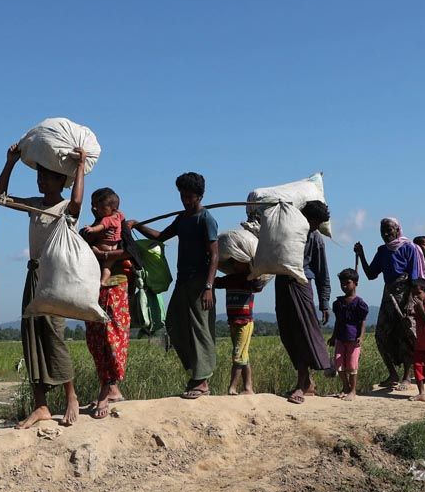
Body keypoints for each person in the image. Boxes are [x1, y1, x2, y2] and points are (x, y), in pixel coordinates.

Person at [0, 144, 86, 428]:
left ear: (62, 180)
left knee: (53, 335)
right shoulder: (34, 204)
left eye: (48, 177)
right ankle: (41, 405)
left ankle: (72, 396)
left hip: (53, 277)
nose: (42, 181)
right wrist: (9, 162)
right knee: (31, 337)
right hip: (32, 275)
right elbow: (1, 198)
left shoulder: (65, 208)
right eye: (40, 177)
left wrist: (80, 166)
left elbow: (78, 201)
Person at [129, 172, 219, 399]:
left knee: (200, 328)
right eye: (182, 196)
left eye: (189, 197)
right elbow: (160, 236)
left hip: (200, 281)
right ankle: (194, 370)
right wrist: (137, 225)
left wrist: (209, 286)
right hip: (183, 280)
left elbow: (215, 255)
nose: (185, 200)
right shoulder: (182, 219)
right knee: (173, 324)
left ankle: (203, 381)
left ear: (199, 196)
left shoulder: (205, 219)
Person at [354, 217, 425, 389]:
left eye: (389, 230)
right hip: (388, 295)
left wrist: (412, 303)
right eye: (383, 231)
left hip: (406, 295)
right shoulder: (382, 251)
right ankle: (393, 374)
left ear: (397, 229)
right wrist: (361, 254)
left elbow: (416, 277)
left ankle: (407, 377)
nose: (386, 233)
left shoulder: (410, 248)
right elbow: (371, 274)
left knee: (407, 334)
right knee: (381, 334)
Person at [82, 188, 133, 419]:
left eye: (97, 204)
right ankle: (111, 388)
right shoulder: (91, 229)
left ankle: (107, 389)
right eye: (92, 203)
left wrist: (106, 256)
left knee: (112, 337)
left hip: (116, 286)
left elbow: (130, 251)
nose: (93, 208)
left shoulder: (118, 225)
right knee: (95, 338)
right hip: (94, 287)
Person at [275, 201, 333, 405]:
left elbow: (322, 271)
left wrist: (324, 302)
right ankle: (307, 382)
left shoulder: (315, 239)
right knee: (287, 332)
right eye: (313, 222)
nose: (315, 227)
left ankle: (303, 383)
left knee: (303, 332)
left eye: (318, 223)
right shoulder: (286, 232)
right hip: (282, 282)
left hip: (301, 285)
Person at [214, 259, 265, 396]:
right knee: (244, 356)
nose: (235, 265)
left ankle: (232, 387)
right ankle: (248, 388)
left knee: (237, 356)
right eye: (234, 262)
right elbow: (216, 283)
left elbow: (259, 287)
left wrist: (257, 272)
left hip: (245, 323)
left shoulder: (249, 280)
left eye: (239, 262)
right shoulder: (230, 279)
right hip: (233, 322)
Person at [327, 268, 369, 401]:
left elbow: (363, 322)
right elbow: (338, 321)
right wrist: (333, 337)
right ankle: (345, 386)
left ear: (355, 283)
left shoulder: (360, 304)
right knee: (339, 363)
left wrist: (361, 337)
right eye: (342, 283)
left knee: (351, 365)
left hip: (353, 339)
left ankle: (353, 390)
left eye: (347, 283)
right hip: (340, 338)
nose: (344, 286)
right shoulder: (338, 303)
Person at [81, 189, 125, 286]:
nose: (95, 209)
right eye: (93, 205)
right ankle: (103, 281)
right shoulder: (118, 217)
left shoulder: (106, 220)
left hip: (117, 280)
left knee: (106, 267)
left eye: (99, 206)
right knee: (107, 267)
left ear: (112, 209)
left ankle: (102, 282)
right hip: (113, 249)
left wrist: (102, 254)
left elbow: (130, 252)